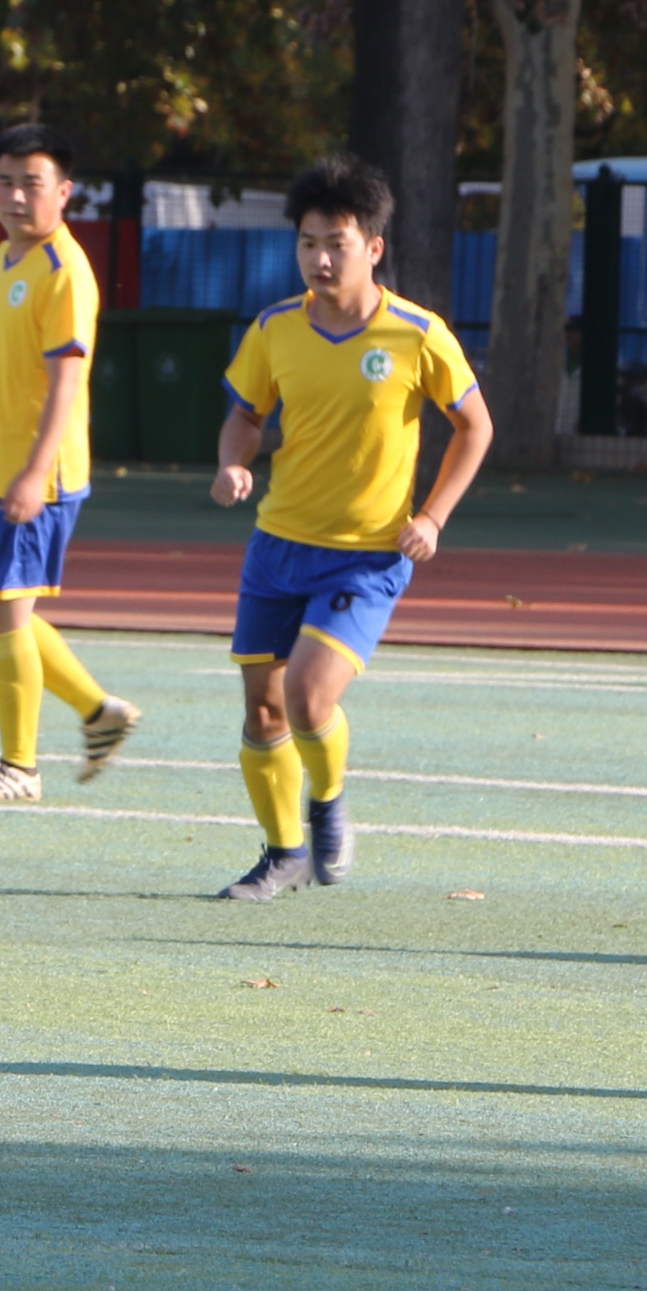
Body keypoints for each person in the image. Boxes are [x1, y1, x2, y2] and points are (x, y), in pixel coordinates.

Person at [206, 156, 492, 899]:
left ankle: (327, 801)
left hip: (366, 557)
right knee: (262, 709)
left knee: (307, 695)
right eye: (308, 243)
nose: (320, 259)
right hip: (277, 546)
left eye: (336, 243)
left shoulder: (416, 334)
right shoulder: (274, 328)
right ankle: (282, 854)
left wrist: (432, 516)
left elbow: (475, 427)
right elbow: (244, 415)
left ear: (373, 246)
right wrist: (233, 462)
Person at [0, 122, 145, 802]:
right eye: (5, 181)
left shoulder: (63, 271)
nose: (16, 196)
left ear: (64, 192)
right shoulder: (5, 258)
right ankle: (97, 710)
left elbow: (66, 384)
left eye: (31, 183)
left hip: (37, 475)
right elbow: (5, 367)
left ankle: (19, 768)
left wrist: (34, 471)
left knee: (4, 613)